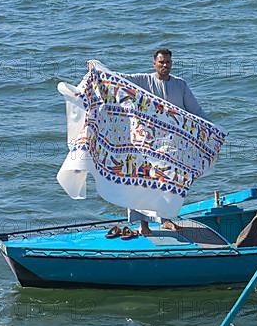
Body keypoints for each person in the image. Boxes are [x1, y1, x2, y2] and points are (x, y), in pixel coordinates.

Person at [88, 48, 207, 235]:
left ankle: (166, 219)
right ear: (154, 64)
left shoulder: (180, 85)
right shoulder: (144, 80)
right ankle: (143, 225)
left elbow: (195, 110)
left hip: (170, 145)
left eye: (168, 62)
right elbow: (118, 79)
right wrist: (97, 68)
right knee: (140, 182)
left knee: (169, 182)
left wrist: (209, 128)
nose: (165, 65)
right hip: (145, 143)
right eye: (161, 62)